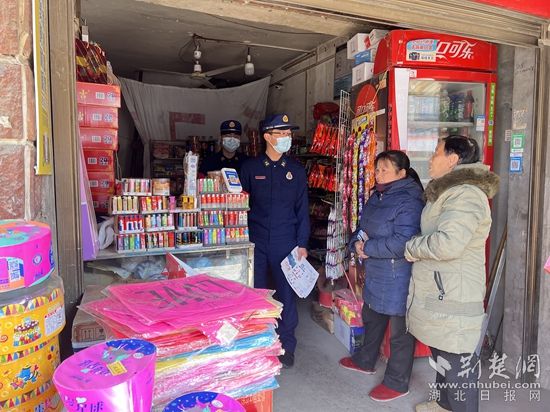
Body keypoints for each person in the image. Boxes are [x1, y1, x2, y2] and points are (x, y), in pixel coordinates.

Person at [404, 136, 499, 412]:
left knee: (459, 368)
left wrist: (411, 247)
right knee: (443, 355)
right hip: (442, 291)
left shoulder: (466, 194)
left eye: (436, 153)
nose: (431, 158)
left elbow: (448, 243)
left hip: (455, 294)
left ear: (453, 160)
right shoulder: (450, 191)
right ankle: (444, 405)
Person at [339, 150, 424, 402]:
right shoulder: (377, 195)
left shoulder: (410, 201)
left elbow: (404, 242)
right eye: (377, 169)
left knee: (400, 332)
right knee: (372, 317)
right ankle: (365, 360)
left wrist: (368, 248)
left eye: (385, 169)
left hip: (399, 275)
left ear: (402, 173)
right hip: (376, 271)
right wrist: (355, 243)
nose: (379, 173)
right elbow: (363, 227)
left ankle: (397, 382)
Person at [240, 113, 310, 369]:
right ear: (267, 137)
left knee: (286, 296)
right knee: (257, 294)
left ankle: (286, 346)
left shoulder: (296, 171)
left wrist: (302, 243)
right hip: (255, 241)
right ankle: (259, 344)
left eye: (288, 134)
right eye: (281, 133)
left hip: (286, 242)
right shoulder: (250, 168)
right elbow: (240, 206)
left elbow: (302, 210)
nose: (287, 138)